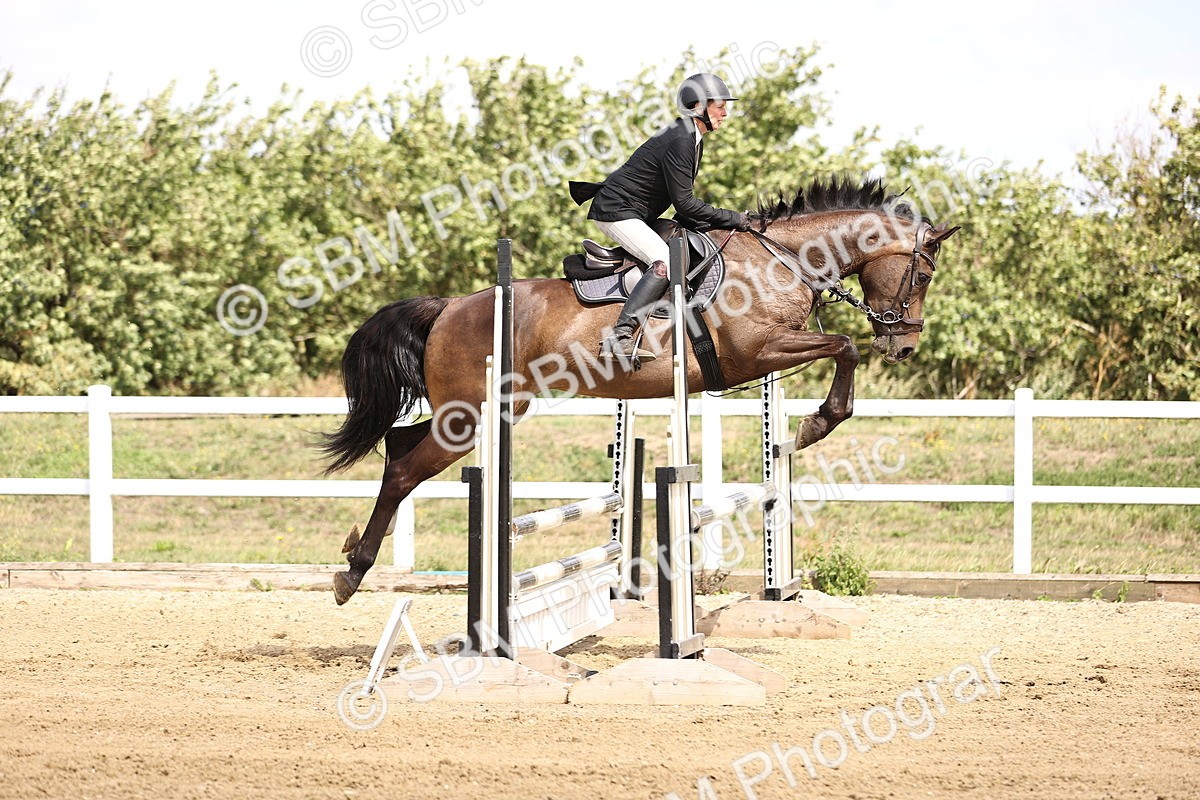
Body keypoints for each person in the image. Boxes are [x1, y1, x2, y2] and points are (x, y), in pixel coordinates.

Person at [570, 73, 752, 362]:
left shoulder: (693, 138)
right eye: (720, 106)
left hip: (633, 211)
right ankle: (620, 336)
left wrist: (721, 221)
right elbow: (686, 203)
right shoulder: (681, 138)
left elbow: (682, 208)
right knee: (665, 262)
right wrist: (734, 219)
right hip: (616, 210)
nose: (725, 112)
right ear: (698, 107)